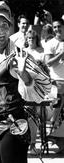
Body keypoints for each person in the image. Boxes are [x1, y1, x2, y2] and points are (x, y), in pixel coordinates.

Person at [0, 1, 51, 163]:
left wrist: (24, 75)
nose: (1, 31)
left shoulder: (17, 56)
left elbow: (41, 91)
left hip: (12, 126)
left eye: (4, 26)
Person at [44, 19, 64, 154]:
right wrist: (62, 53)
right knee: (55, 115)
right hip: (56, 82)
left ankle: (61, 142)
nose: (57, 29)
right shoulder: (51, 43)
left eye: (59, 27)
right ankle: (53, 137)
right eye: (55, 27)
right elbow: (48, 63)